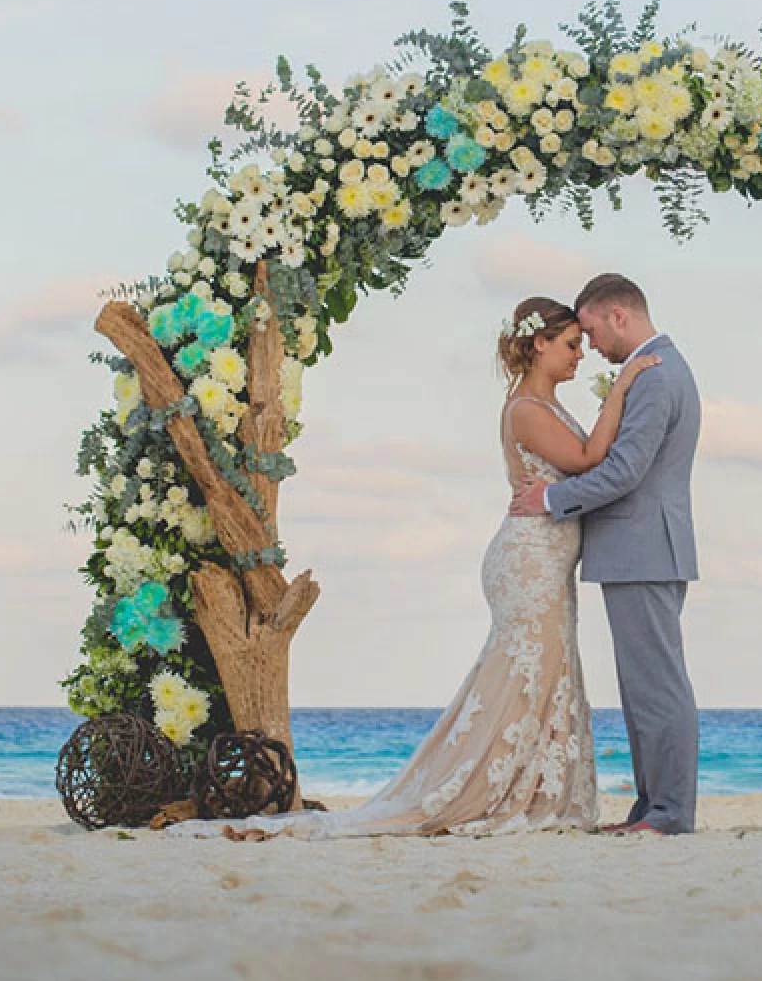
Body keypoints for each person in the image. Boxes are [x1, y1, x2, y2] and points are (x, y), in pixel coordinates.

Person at [222, 295, 658, 839]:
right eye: (571, 345)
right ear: (538, 344)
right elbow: (591, 458)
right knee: (524, 679)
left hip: (548, 563)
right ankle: (485, 792)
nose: (580, 356)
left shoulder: (546, 406)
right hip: (529, 562)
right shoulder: (525, 409)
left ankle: (536, 792)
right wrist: (623, 388)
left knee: (547, 676)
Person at [510, 273, 702, 836]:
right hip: (642, 550)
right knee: (644, 688)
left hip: (644, 550)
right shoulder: (652, 372)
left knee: (657, 686)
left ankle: (667, 814)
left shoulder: (656, 377)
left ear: (618, 315)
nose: (590, 345)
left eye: (590, 330)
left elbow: (623, 472)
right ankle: (652, 809)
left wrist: (550, 497)